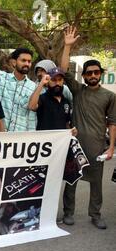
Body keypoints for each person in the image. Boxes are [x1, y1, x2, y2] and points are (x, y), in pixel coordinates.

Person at [60, 26, 116, 229]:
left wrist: (110, 148)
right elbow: (63, 70)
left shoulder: (110, 96)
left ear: (100, 74)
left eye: (96, 72)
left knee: (96, 184)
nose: (92, 75)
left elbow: (113, 122)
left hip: (97, 147)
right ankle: (68, 213)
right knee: (72, 180)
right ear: (83, 76)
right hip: (75, 146)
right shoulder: (78, 90)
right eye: (89, 73)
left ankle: (96, 214)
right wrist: (67, 46)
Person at [28, 67, 75, 132]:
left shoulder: (66, 102)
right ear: (48, 81)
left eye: (60, 80)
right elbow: (31, 106)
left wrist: (71, 131)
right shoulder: (43, 98)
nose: (57, 83)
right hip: (44, 140)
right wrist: (41, 83)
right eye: (53, 80)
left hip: (61, 141)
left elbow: (66, 123)